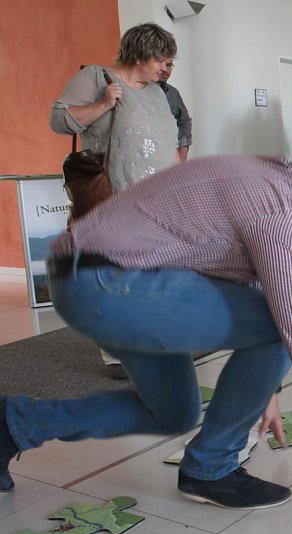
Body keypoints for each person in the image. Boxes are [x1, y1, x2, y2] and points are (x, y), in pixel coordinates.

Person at [0, 129, 292, 507]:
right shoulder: (283, 213)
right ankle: (211, 467)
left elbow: (259, 282)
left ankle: (11, 424)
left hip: (104, 279)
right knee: (285, 326)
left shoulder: (275, 183)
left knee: (173, 414)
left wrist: (264, 388)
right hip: (104, 283)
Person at [50, 22, 180, 379]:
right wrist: (103, 103)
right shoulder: (98, 77)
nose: (166, 69)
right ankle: (116, 352)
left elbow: (166, 143)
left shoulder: (158, 92)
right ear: (140, 53)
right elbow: (59, 120)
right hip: (114, 198)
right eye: (162, 60)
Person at [158, 57, 193, 162]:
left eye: (169, 65)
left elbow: (184, 122)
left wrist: (182, 154)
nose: (165, 69)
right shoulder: (135, 92)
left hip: (168, 160)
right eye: (160, 63)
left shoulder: (173, 93)